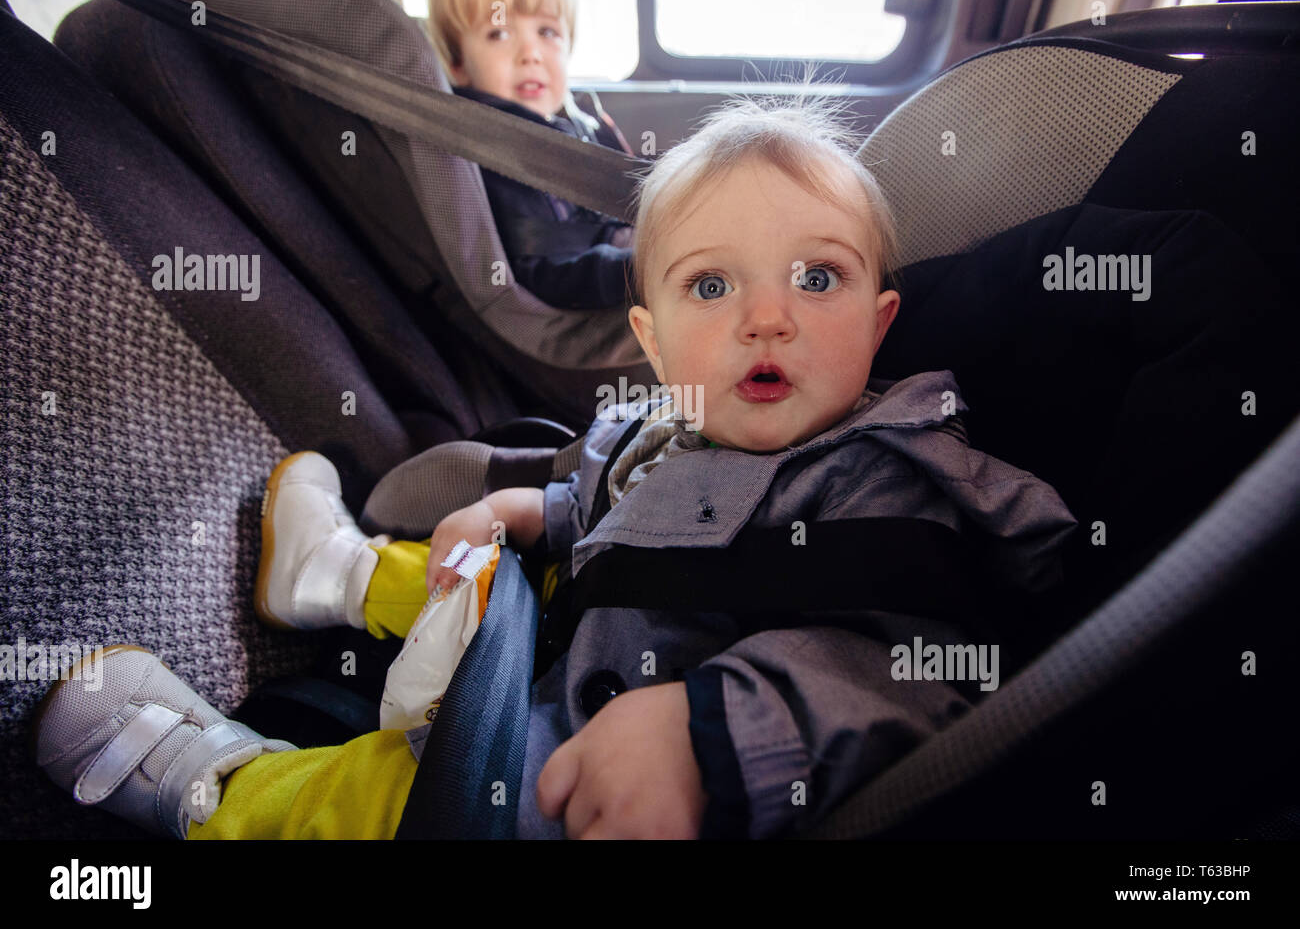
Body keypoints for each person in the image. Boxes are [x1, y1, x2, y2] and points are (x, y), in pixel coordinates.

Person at [34, 95, 1078, 839]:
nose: (768, 315)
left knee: (407, 793)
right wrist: (529, 505)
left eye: (817, 276)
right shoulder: (668, 428)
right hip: (554, 627)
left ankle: (229, 792)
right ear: (655, 342)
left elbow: (918, 665)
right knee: (480, 566)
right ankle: (338, 576)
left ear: (880, 319)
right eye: (711, 285)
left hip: (586, 756)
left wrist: (717, 735)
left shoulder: (894, 481)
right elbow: (608, 509)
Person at [430, 0, 636, 310]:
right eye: (499, 33)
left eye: (547, 32)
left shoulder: (576, 124)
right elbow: (541, 271)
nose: (530, 53)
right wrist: (636, 269)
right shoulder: (489, 153)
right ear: (457, 62)